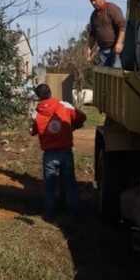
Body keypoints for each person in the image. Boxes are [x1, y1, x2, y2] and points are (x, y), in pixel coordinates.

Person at [30, 83, 86, 221]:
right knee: (70, 184)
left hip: (49, 154)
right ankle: (74, 213)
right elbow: (82, 117)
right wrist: (72, 126)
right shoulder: (64, 105)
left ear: (38, 97)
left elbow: (32, 131)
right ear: (50, 92)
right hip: (65, 152)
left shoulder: (36, 113)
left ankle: (50, 214)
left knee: (49, 185)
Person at [86, 0, 126, 68]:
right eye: (91, 1)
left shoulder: (112, 9)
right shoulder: (93, 16)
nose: (93, 3)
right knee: (105, 75)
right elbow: (93, 34)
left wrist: (119, 43)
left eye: (94, 0)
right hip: (103, 52)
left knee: (116, 74)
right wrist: (89, 48)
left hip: (115, 50)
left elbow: (123, 26)